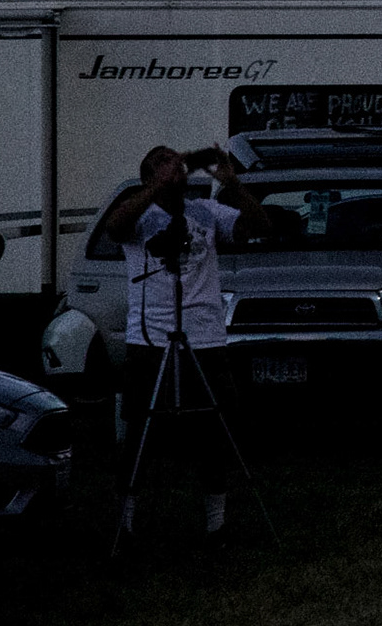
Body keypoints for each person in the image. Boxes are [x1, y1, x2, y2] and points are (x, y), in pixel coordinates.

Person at [104, 145, 268, 540]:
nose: (173, 166)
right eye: (162, 162)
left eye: (175, 163)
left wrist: (232, 184)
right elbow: (115, 228)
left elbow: (260, 227)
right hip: (151, 336)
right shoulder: (140, 214)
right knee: (141, 429)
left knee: (213, 428)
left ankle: (217, 519)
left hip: (205, 335)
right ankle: (126, 518)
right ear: (147, 176)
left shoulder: (205, 213)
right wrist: (152, 189)